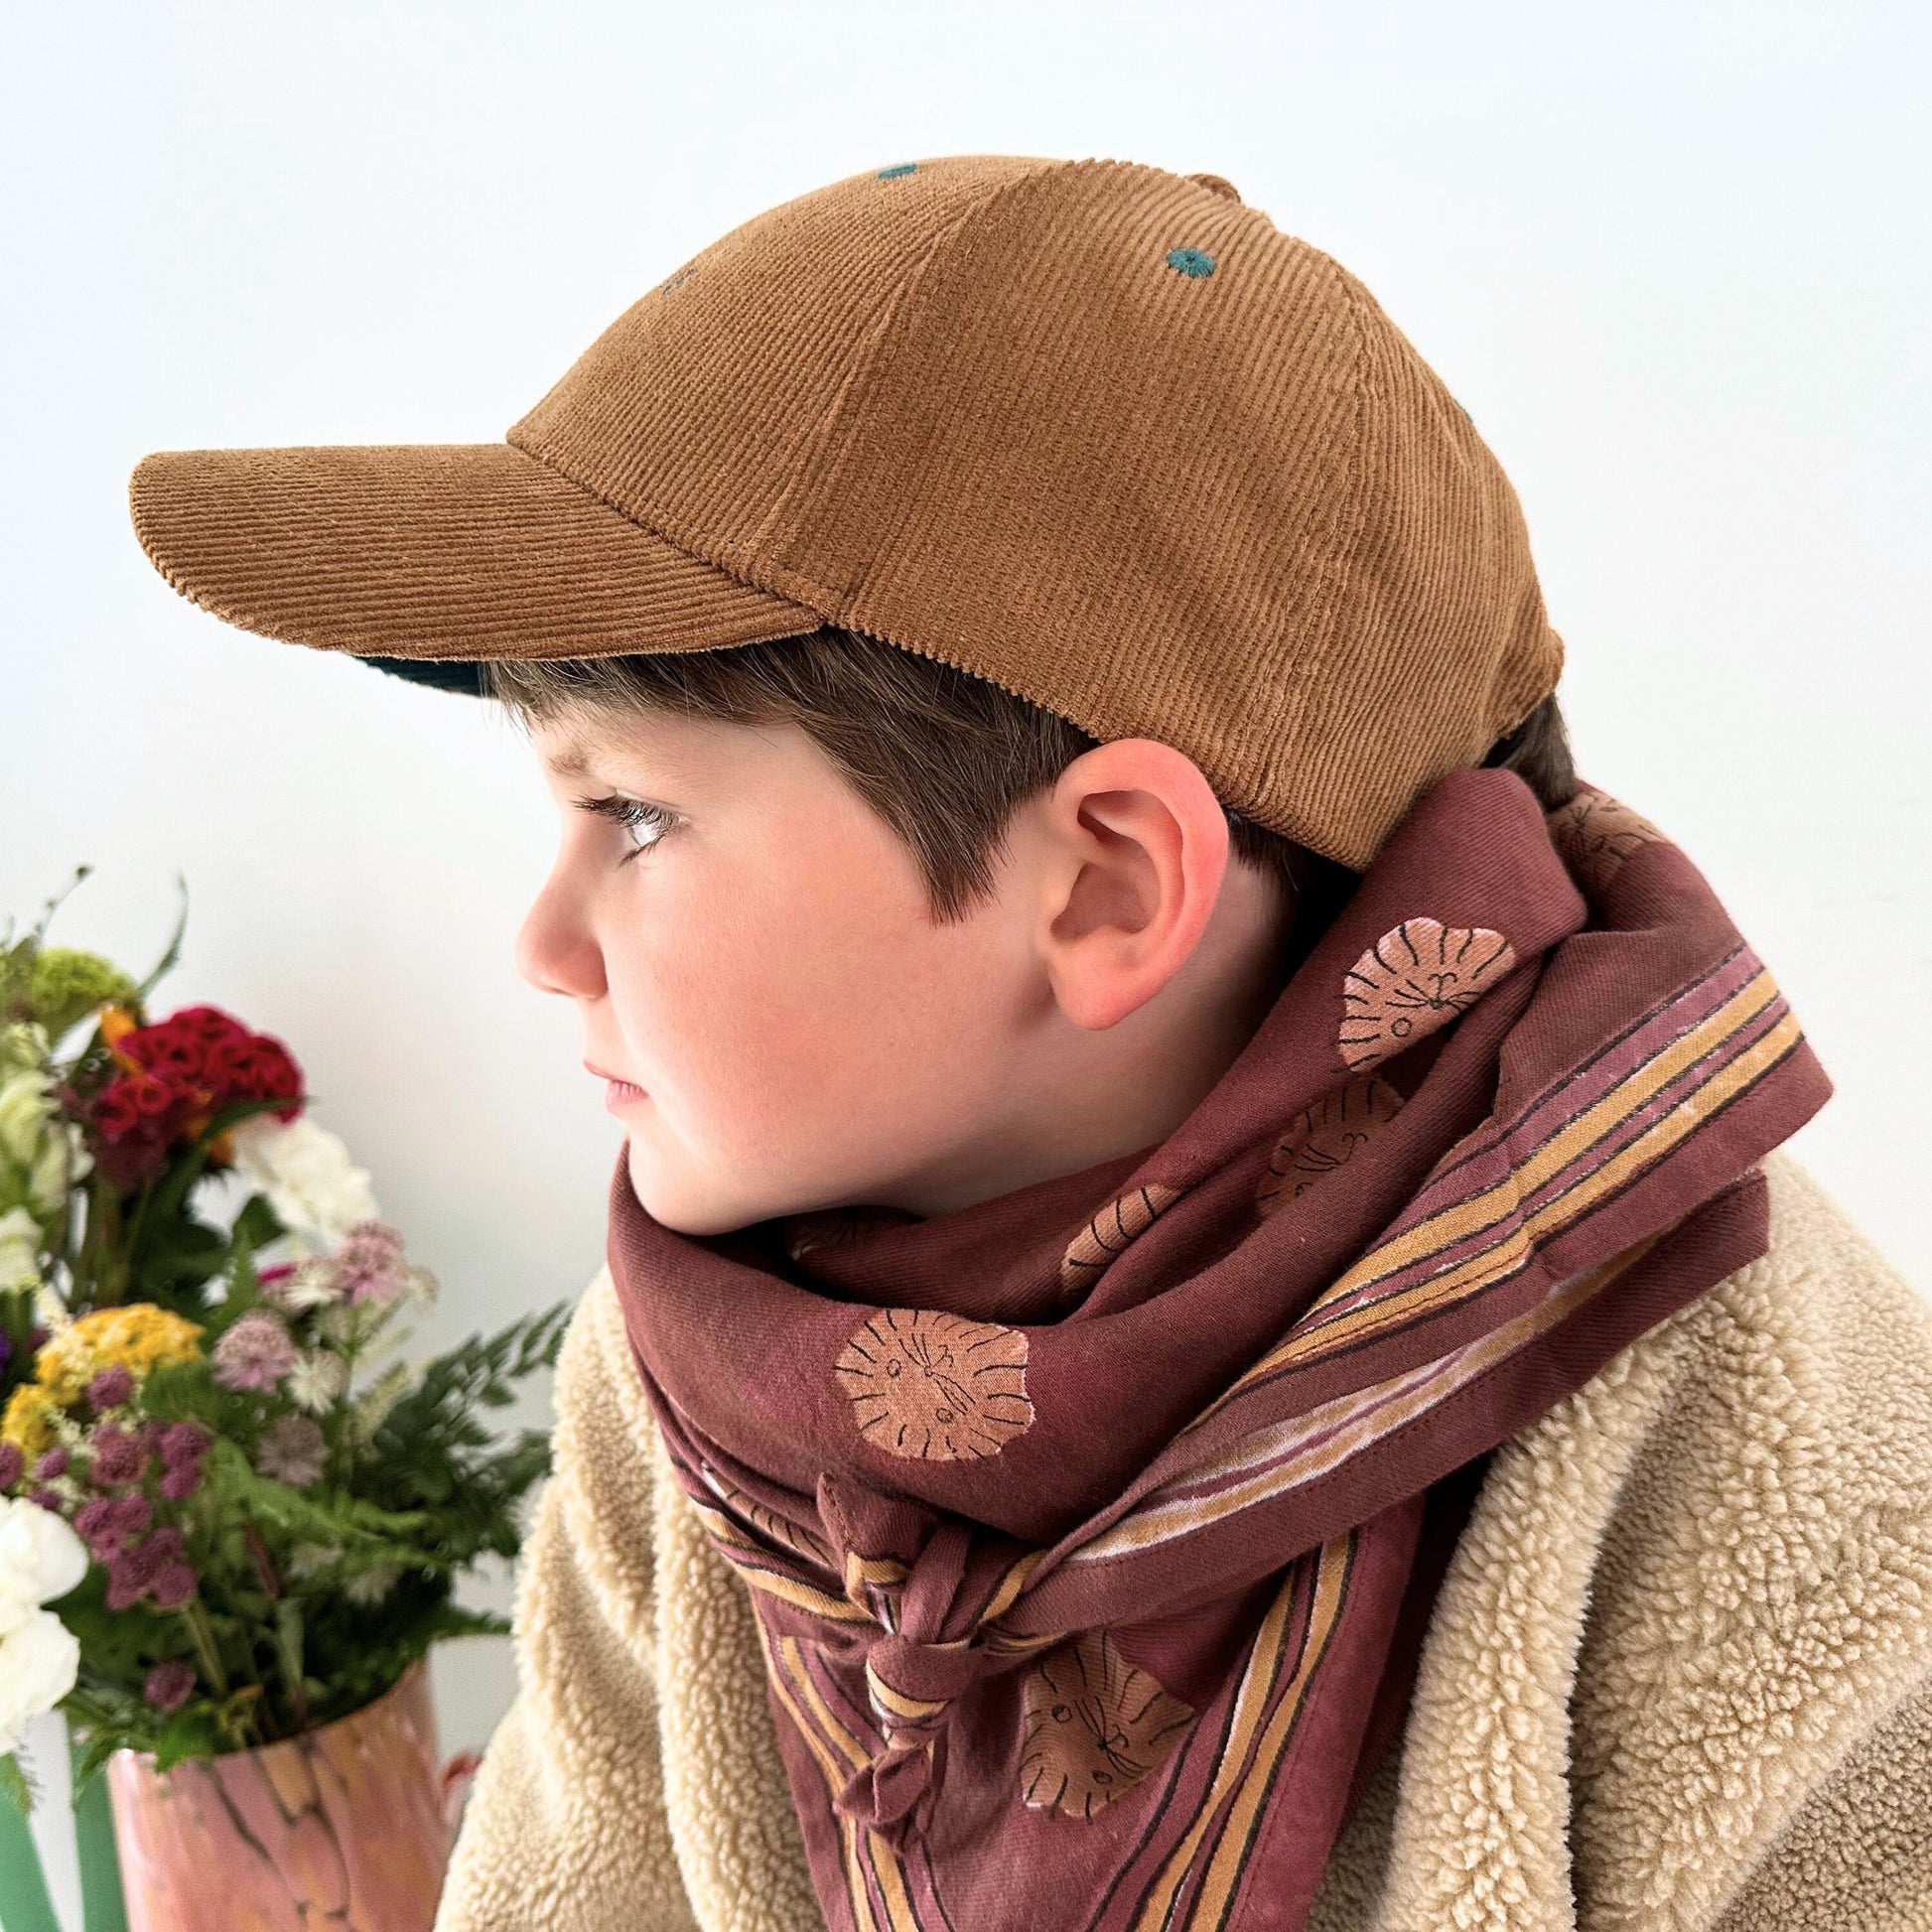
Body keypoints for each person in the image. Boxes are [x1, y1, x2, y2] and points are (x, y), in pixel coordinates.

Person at [128, 156, 1932, 1932]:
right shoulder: (697, 1372)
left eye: (636, 814)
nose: (537, 942)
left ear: (1103, 889)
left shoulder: (1759, 1435)